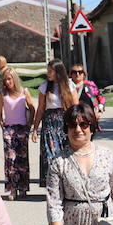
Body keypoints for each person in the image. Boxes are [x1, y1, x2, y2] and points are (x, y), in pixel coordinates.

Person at [0, 67, 38, 199]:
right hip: (9, 129)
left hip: (22, 127)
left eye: (9, 79)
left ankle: (23, 188)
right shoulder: (2, 94)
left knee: (22, 158)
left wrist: (29, 125)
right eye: (5, 79)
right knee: (10, 159)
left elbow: (32, 108)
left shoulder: (24, 92)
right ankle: (12, 189)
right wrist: (3, 127)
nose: (7, 82)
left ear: (14, 79)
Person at [33, 61, 78, 189]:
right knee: (50, 155)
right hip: (50, 124)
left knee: (67, 154)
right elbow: (40, 109)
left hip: (66, 122)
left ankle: (67, 184)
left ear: (58, 72)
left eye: (50, 71)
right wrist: (35, 128)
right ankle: (53, 185)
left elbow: (75, 106)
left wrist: (76, 124)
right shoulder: (45, 87)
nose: (48, 74)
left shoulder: (69, 85)